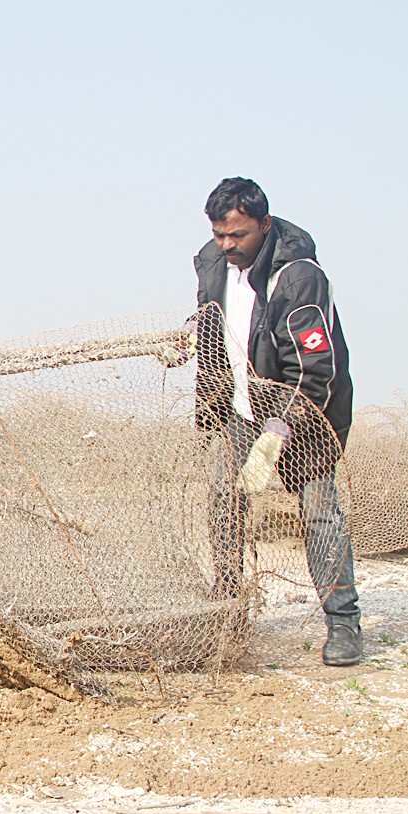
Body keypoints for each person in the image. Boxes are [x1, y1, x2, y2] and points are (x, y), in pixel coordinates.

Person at [191, 177, 362, 666]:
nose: (227, 247)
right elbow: (210, 329)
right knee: (227, 500)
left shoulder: (299, 278)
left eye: (238, 236)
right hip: (243, 412)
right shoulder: (213, 262)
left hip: (304, 417)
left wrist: (276, 438)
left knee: (318, 512)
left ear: (265, 224)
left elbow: (315, 372)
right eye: (220, 235)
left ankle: (344, 623)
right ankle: (228, 612)